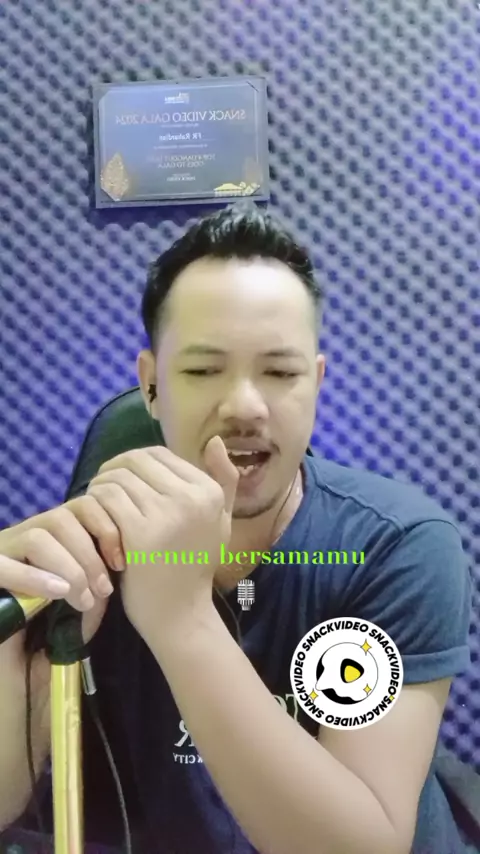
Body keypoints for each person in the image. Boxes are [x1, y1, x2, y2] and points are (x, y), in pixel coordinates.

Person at [0, 203, 474, 854]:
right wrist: (18, 665)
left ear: (316, 383)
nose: (245, 406)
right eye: (202, 371)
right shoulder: (91, 549)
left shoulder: (396, 544)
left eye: (280, 372)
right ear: (151, 386)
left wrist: (182, 619)